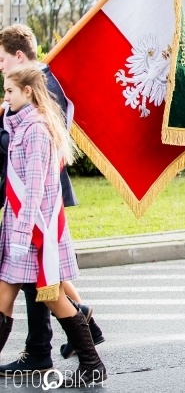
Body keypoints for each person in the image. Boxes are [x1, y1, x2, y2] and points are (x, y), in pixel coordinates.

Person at [0, 24, 103, 375]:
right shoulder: (21, 119)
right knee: (33, 291)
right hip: (22, 223)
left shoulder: (39, 120)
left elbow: (33, 183)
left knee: (50, 291)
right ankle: (54, 346)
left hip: (37, 224)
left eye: (10, 90)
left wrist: (21, 234)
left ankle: (86, 355)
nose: (5, 94)